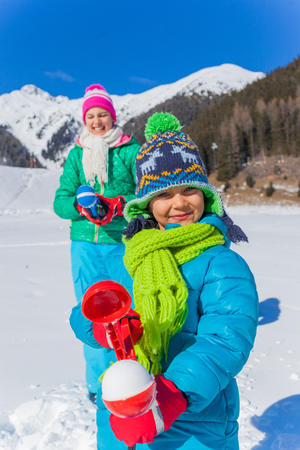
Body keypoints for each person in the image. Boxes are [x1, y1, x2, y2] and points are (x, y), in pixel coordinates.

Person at [70, 112, 259, 449]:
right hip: (125, 409)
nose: (180, 203)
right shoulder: (132, 255)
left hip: (193, 418)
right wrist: (101, 327)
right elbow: (86, 311)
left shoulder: (222, 263)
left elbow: (226, 339)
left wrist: (171, 396)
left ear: (206, 195)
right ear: (146, 203)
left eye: (190, 189)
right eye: (164, 194)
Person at [53, 84, 141, 402]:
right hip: (85, 246)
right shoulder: (77, 154)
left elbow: (145, 193)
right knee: (92, 315)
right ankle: (97, 384)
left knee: (127, 313)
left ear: (112, 116)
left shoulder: (131, 150)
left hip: (122, 242)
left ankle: (131, 378)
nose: (97, 120)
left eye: (102, 113)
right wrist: (79, 207)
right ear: (84, 119)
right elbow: (60, 201)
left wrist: (119, 204)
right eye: (91, 115)